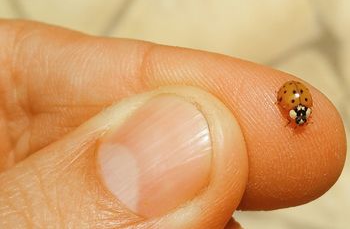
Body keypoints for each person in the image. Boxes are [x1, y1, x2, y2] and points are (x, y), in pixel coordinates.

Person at [0, 20, 346, 229]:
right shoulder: (294, 104)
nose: (298, 117)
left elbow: (288, 98)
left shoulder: (294, 104)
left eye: (298, 115)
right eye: (298, 116)